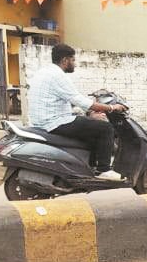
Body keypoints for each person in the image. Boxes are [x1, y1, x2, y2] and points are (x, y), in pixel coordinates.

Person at [28, 44, 129, 180]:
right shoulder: (58, 76)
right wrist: (112, 108)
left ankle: (89, 166)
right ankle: (103, 170)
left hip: (43, 120)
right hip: (54, 122)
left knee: (92, 127)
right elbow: (79, 100)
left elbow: (66, 99)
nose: (74, 64)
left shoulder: (44, 72)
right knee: (105, 128)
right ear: (65, 60)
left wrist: (89, 113)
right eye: (73, 60)